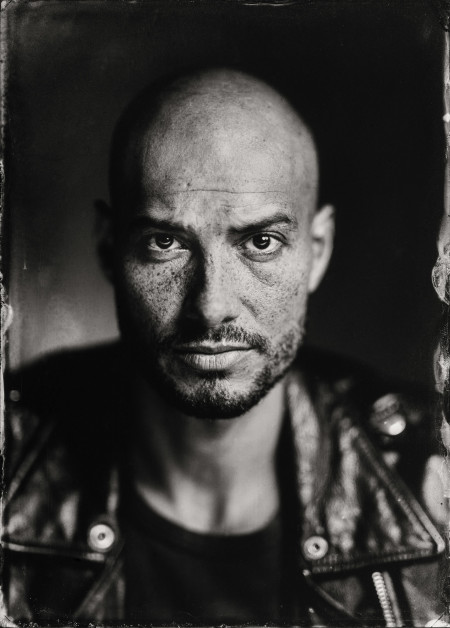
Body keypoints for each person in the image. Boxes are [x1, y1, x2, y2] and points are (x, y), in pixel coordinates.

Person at [2, 68, 447, 627]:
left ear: (317, 250)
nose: (211, 306)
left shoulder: (432, 479)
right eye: (165, 242)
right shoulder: (10, 457)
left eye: (260, 242)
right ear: (109, 246)